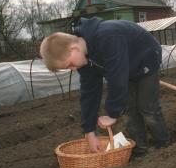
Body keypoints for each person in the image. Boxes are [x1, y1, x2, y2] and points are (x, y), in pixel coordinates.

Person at [40, 17, 169, 156]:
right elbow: (89, 94)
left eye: (70, 64)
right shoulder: (84, 61)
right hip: (127, 68)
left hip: (146, 58)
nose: (72, 69)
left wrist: (112, 113)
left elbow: (117, 77)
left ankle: (163, 144)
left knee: (147, 106)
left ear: (74, 49)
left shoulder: (108, 36)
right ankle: (140, 148)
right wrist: (89, 131)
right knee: (129, 109)